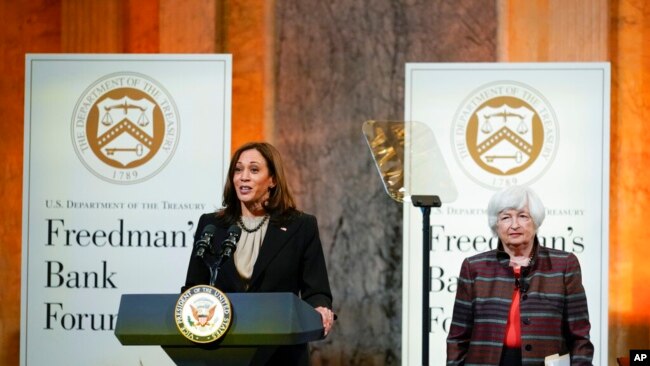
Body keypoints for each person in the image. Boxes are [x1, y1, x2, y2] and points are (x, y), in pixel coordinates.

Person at [182, 142, 335, 365]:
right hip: (222, 349)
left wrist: (320, 308)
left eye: (254, 170)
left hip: (280, 352)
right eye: (238, 169)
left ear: (272, 180)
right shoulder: (211, 225)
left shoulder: (300, 226)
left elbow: (317, 290)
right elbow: (194, 288)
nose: (243, 177)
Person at [446, 185, 593, 365]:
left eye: (523, 216)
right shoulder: (474, 267)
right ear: (496, 223)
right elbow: (458, 338)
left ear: (535, 221)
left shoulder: (564, 265)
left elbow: (580, 337)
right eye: (506, 217)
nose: (514, 225)